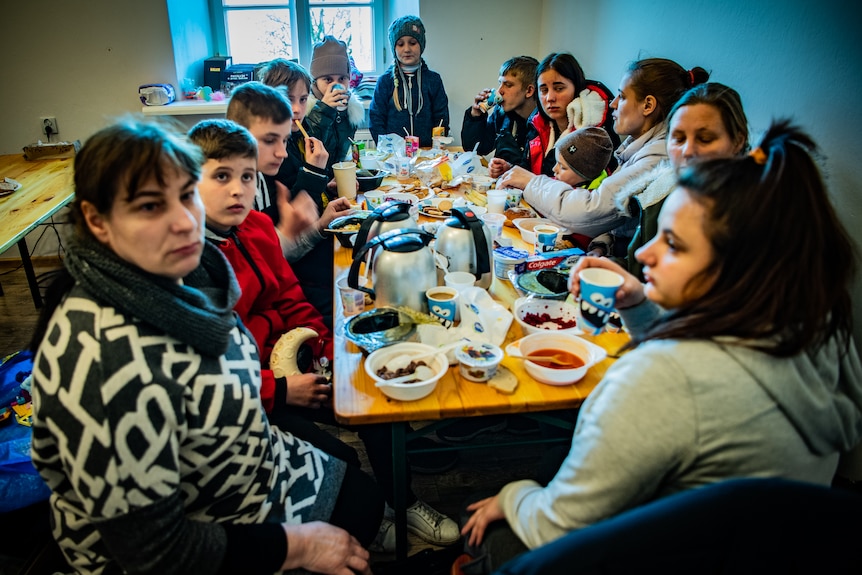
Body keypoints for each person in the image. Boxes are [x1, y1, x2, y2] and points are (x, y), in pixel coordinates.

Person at [457, 120, 862, 573]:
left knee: (494, 523)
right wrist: (639, 307)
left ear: (736, 268)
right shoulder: (823, 327)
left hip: (653, 553)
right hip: (765, 546)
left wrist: (513, 497)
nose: (646, 253)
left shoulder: (660, 379)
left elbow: (556, 526)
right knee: (555, 457)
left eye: (672, 243)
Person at [28, 117, 382, 575]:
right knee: (360, 516)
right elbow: (157, 553)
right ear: (97, 221)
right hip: (208, 530)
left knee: (364, 498)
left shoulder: (164, 275)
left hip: (251, 466)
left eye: (185, 195)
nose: (184, 222)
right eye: (151, 207)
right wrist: (296, 546)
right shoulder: (103, 359)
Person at [188, 118, 461, 554]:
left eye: (245, 175)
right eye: (221, 176)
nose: (237, 189)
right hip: (256, 391)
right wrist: (280, 391)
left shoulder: (256, 227)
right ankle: (374, 521)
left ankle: (403, 502)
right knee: (346, 460)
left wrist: (331, 350)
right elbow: (204, 372)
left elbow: (291, 299)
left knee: (370, 388)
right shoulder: (191, 258)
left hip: (289, 358)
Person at [498, 57, 709, 253]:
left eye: (623, 96)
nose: (613, 103)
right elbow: (617, 220)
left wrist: (532, 182)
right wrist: (602, 245)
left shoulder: (657, 158)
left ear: (648, 105)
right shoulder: (636, 149)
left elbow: (591, 210)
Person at [610, 82, 749, 279]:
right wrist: (606, 267)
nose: (688, 151)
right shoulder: (657, 197)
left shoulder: (754, 216)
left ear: (737, 142)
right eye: (679, 138)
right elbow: (638, 270)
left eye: (705, 139)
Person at [226, 81, 352, 266]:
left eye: (284, 140)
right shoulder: (233, 195)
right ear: (237, 136)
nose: (282, 152)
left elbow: (280, 252)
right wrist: (287, 231)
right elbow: (254, 270)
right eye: (270, 140)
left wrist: (320, 227)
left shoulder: (258, 179)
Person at [257, 58, 344, 322]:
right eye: (287, 98)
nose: (296, 109)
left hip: (314, 252)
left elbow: (306, 199)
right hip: (299, 276)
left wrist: (326, 187)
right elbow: (292, 219)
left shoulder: (295, 139)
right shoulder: (268, 157)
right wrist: (314, 172)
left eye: (303, 99)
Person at [489, 52, 619, 179]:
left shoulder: (594, 134)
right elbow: (531, 171)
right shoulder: (537, 124)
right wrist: (510, 169)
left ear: (577, 88)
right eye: (544, 90)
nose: (550, 98)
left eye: (559, 88)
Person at [369, 14, 450, 147]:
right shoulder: (385, 81)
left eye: (412, 43)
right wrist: (385, 149)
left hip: (427, 152)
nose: (406, 49)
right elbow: (376, 119)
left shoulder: (433, 80)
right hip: (395, 155)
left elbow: (441, 117)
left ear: (421, 45)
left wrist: (436, 147)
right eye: (400, 44)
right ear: (394, 49)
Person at [303, 35, 366, 172]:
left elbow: (342, 151)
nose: (336, 85)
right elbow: (310, 149)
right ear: (315, 81)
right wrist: (324, 109)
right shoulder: (306, 109)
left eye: (342, 78)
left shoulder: (350, 109)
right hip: (317, 180)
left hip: (338, 177)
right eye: (328, 79)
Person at [461, 56, 539, 166]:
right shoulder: (501, 113)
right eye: (500, 83)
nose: (499, 91)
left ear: (529, 90)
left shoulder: (542, 124)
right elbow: (476, 149)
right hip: (500, 181)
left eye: (508, 85)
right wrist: (476, 116)